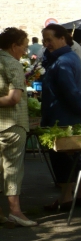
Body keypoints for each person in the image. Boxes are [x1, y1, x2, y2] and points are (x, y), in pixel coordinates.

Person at [40, 24, 81, 212]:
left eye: (49, 40)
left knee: (62, 158)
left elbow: (69, 91)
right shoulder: (69, 57)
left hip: (61, 118)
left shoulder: (63, 61)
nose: (46, 44)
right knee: (74, 157)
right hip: (67, 116)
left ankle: (66, 198)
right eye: (44, 40)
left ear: (62, 39)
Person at [0, 28, 36, 226]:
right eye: (23, 45)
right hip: (11, 124)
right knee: (12, 169)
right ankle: (15, 212)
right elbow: (14, 98)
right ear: (14, 46)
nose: (24, 50)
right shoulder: (12, 64)